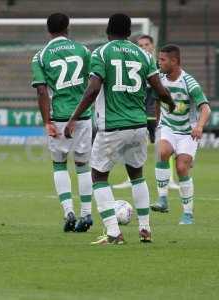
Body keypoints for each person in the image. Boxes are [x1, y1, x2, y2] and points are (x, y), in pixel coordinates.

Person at [64, 14, 175, 245]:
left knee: (98, 176)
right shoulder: (144, 54)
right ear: (129, 33)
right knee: (137, 175)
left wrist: (74, 117)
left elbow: (94, 89)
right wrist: (171, 103)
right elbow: (160, 90)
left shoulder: (102, 53)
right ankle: (145, 230)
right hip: (138, 126)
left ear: (108, 31)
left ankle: (114, 233)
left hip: (112, 126)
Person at [31, 13, 93, 232]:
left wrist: (46, 121)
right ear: (68, 28)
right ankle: (86, 213)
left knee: (59, 164)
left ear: (48, 31)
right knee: (83, 165)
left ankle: (68, 211)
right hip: (83, 116)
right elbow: (93, 83)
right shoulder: (84, 51)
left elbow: (41, 91)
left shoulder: (40, 56)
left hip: (58, 117)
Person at [150, 45, 211, 224]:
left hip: (187, 132)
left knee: (181, 168)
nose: (159, 63)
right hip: (168, 126)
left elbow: (205, 109)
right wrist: (157, 123)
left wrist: (199, 126)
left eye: (162, 60)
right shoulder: (159, 78)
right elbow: (157, 101)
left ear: (174, 61)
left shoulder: (189, 82)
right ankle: (162, 199)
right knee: (162, 152)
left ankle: (187, 213)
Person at [113, 34, 179, 190]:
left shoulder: (161, 67)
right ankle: (130, 178)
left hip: (157, 114)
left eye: (146, 45)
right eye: (140, 45)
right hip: (138, 114)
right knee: (131, 146)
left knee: (163, 147)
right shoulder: (132, 66)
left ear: (153, 46)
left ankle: (169, 179)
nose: (143, 48)